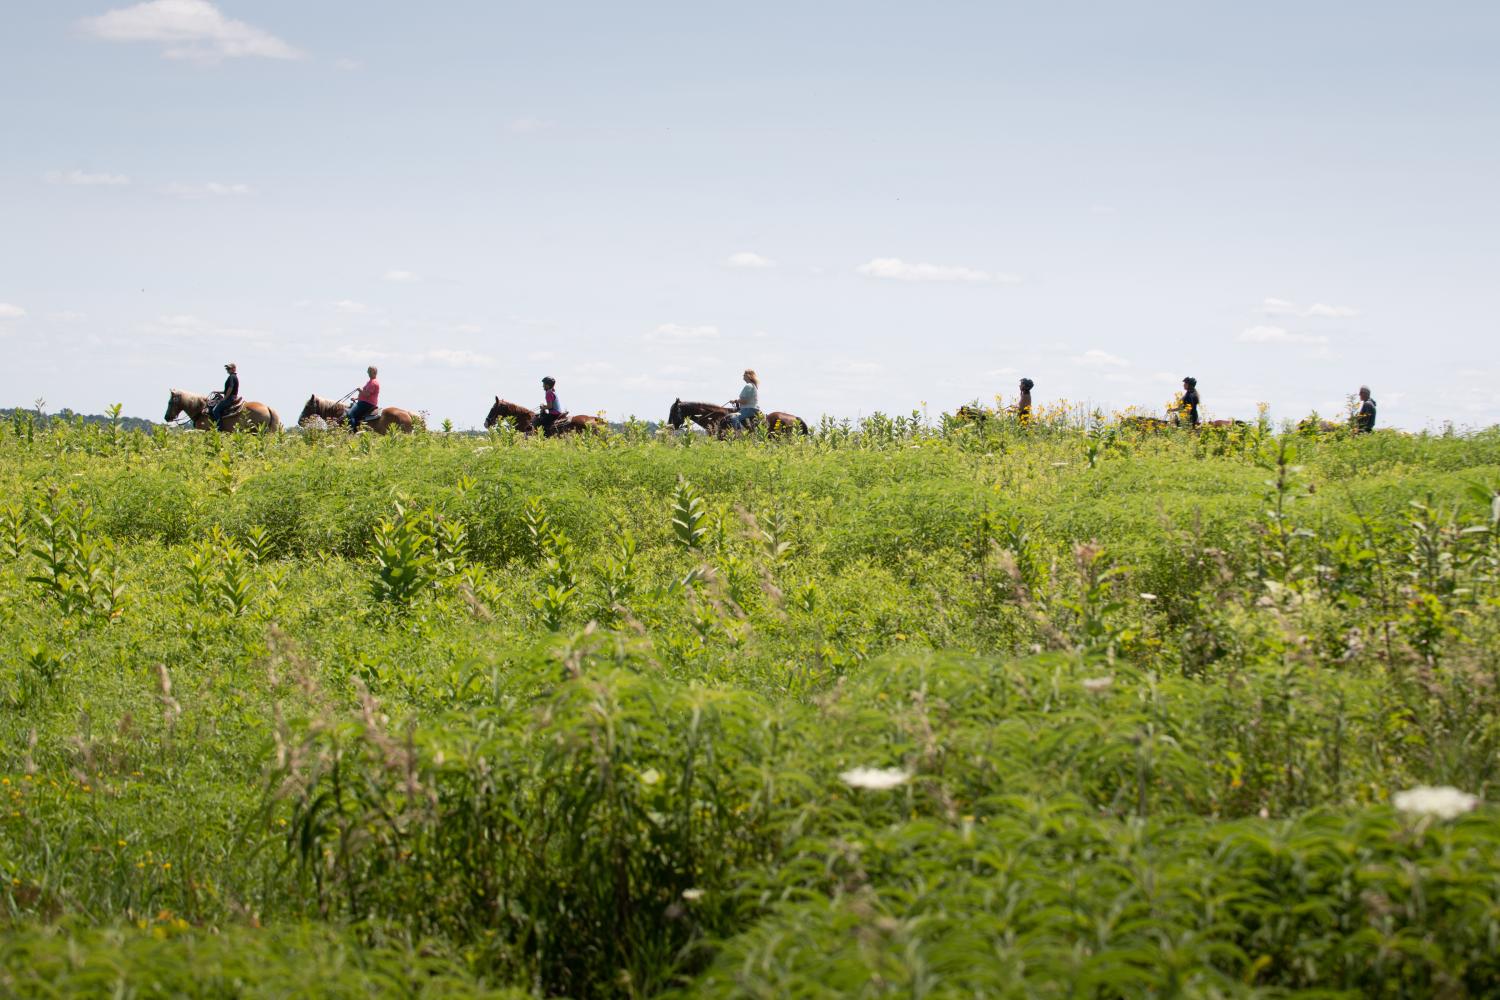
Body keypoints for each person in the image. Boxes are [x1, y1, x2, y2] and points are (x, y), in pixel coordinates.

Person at [347, 366, 379, 431]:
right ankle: (356, 429)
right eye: (368, 371)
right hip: (364, 402)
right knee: (356, 416)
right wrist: (356, 399)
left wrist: (359, 390)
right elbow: (365, 395)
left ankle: (351, 432)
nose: (368, 373)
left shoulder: (373, 382)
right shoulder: (370, 382)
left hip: (367, 403)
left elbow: (367, 394)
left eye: (370, 371)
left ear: (374, 372)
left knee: (350, 414)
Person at [210, 362, 240, 429]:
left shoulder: (231, 377)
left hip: (230, 398)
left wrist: (225, 398)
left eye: (229, 368)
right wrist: (218, 392)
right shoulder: (234, 377)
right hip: (232, 396)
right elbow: (226, 391)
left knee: (215, 410)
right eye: (227, 369)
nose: (228, 370)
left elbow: (230, 388)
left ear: (234, 369)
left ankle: (219, 428)